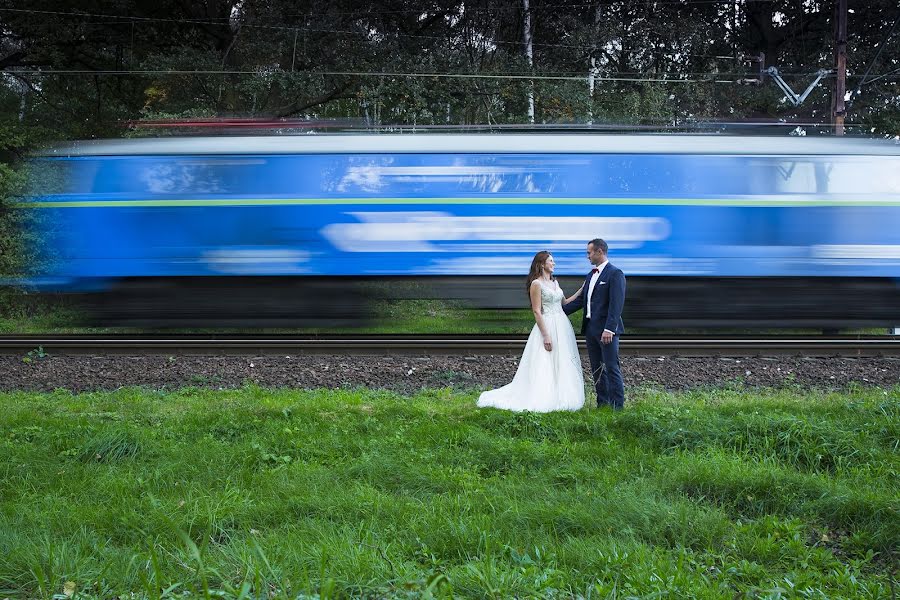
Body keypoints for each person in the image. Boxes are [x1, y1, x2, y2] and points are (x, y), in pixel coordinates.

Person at [477, 251, 585, 413]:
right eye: (551, 261)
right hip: (547, 325)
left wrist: (582, 290)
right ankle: (545, 394)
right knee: (546, 360)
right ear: (542, 264)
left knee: (562, 359)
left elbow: (565, 302)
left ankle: (561, 393)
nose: (554, 263)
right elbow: (536, 311)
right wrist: (546, 335)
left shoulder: (555, 282)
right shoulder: (537, 284)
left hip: (561, 325)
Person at [563, 238, 626, 410]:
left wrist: (609, 329)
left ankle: (617, 407)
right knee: (597, 369)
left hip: (606, 331)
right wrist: (556, 313)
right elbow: (582, 301)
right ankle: (603, 404)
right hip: (590, 329)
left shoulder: (615, 273)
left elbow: (616, 304)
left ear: (599, 251)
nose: (587, 256)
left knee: (612, 368)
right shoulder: (591, 275)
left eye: (589, 252)